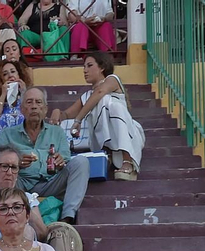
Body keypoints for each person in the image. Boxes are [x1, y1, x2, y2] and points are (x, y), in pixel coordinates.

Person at [0, 88, 88, 225]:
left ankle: (67, 218)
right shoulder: (7, 134)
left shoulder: (57, 132)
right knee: (1, 171)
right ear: (22, 109)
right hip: (20, 183)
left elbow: (66, 157)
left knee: (81, 162)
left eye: (38, 102)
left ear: (45, 109)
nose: (34, 106)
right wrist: (16, 163)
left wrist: (60, 161)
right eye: (29, 102)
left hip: (52, 182)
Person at [55, 52, 142, 181]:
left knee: (110, 104)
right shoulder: (86, 97)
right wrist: (57, 113)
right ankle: (107, 154)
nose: (85, 71)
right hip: (103, 142)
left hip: (129, 133)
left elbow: (100, 92)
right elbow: (67, 114)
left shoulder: (112, 80)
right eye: (84, 67)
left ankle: (127, 159)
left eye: (89, 66)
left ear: (102, 67)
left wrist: (78, 120)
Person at [0, 59, 31, 133]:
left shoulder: (27, 95)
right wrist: (3, 94)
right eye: (5, 74)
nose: (10, 75)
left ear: (19, 75)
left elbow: (32, 114)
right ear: (0, 80)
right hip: (2, 141)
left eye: (13, 71)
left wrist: (24, 93)